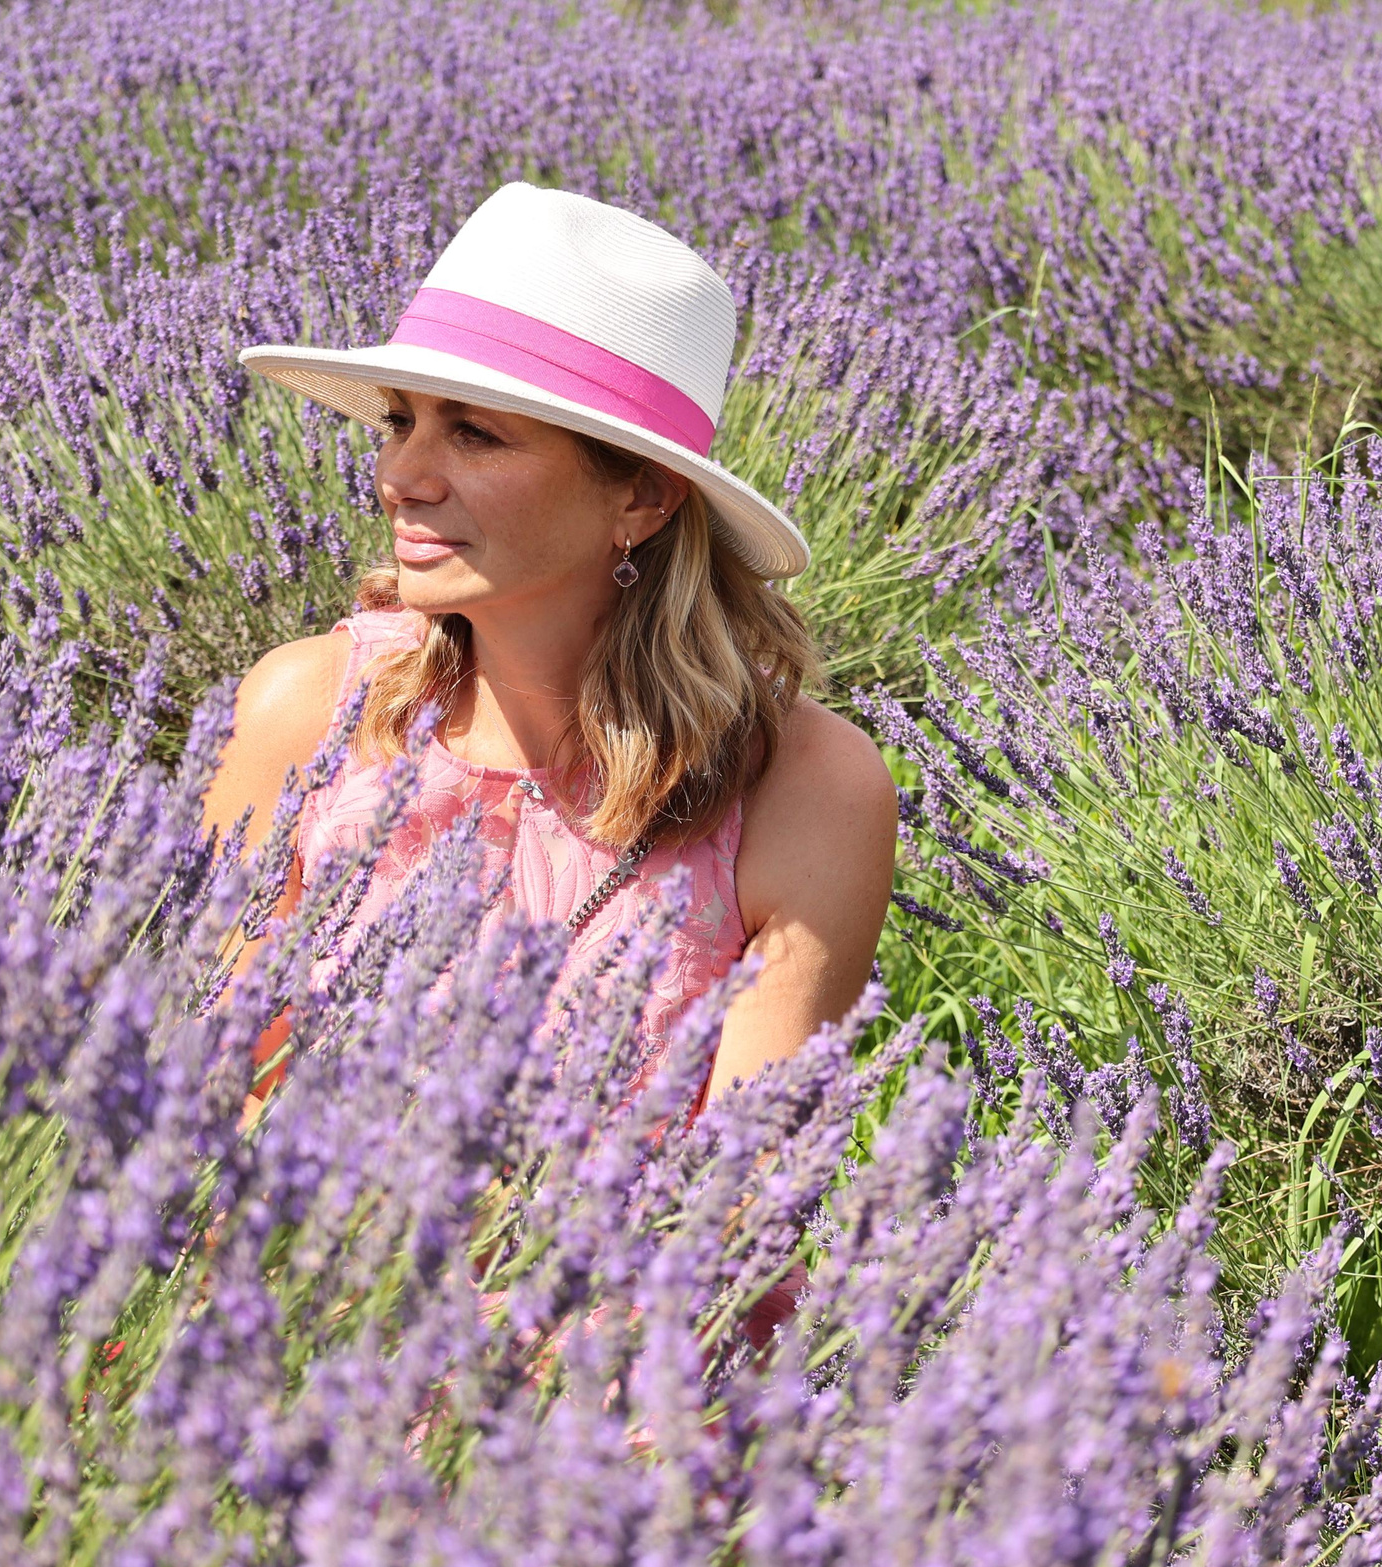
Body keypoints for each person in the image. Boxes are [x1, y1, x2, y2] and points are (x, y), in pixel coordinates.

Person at [198, 180, 897, 1134]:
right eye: (402, 420)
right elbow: (189, 1093)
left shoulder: (804, 790)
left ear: (642, 500)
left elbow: (739, 1202)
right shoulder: (307, 714)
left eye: (474, 433)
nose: (400, 475)